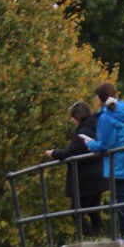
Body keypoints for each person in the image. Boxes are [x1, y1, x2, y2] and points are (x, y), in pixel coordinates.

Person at [80, 82, 124, 242]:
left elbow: (105, 145)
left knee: (122, 202)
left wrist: (90, 144)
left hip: (116, 164)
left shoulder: (107, 117)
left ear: (100, 98)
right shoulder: (123, 110)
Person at [45, 100, 104, 238]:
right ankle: (99, 237)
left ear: (78, 116)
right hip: (98, 175)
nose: (72, 120)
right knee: (94, 210)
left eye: (72, 117)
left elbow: (70, 152)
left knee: (76, 211)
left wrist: (54, 153)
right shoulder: (96, 128)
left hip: (85, 179)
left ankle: (88, 237)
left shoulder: (82, 133)